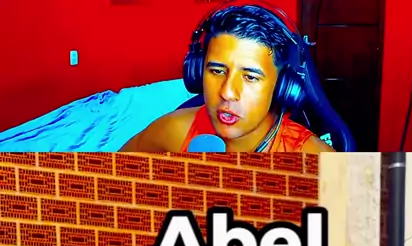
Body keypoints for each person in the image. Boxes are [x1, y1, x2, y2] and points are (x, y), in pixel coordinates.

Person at [120, 5, 334, 154]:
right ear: (198, 73)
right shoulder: (174, 131)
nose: (227, 92)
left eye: (250, 77)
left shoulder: (314, 159)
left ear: (281, 86)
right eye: (217, 71)